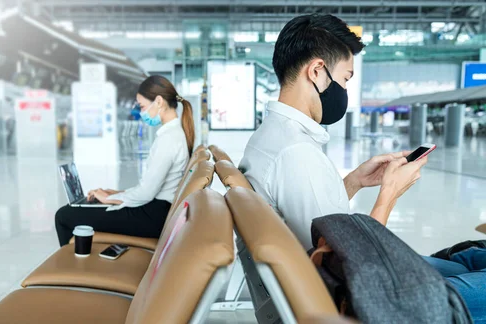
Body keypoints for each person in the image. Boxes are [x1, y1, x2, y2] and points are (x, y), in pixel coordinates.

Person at [239, 14, 484, 322]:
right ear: (317, 71)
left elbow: (311, 219)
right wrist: (389, 193)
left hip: (318, 282)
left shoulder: (271, 139)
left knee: (472, 260)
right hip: (350, 297)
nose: (344, 89)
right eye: (344, 79)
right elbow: (351, 266)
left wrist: (353, 181)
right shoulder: (296, 152)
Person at [55, 75, 195, 246]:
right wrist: (113, 194)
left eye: (142, 106)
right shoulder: (174, 134)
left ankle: (70, 267)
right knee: (81, 210)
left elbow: (146, 193)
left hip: (152, 217)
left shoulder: (169, 139)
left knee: (64, 216)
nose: (142, 112)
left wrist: (108, 199)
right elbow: (151, 188)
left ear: (158, 101)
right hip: (156, 211)